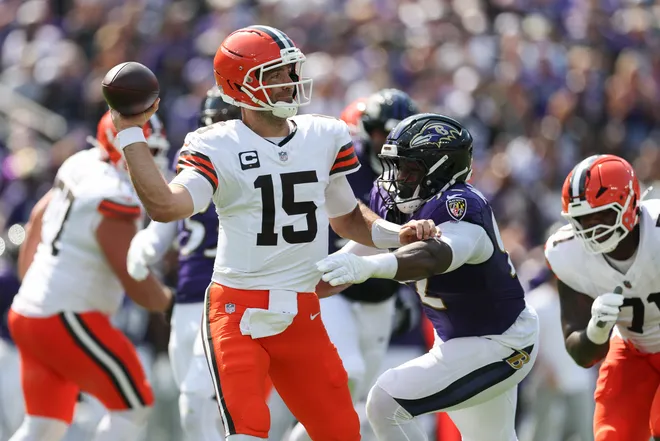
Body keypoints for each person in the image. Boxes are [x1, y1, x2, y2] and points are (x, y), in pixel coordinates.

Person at [109, 25, 436, 441]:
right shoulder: (215, 144)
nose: (289, 83)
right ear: (241, 85)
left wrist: (398, 233)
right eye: (275, 74)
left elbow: (348, 218)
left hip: (302, 308)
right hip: (237, 310)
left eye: (289, 71)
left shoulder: (323, 135)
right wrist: (130, 132)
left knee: (341, 433)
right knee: (247, 432)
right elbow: (166, 205)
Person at [317, 113, 539, 441]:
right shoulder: (399, 207)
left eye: (409, 169)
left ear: (442, 170)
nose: (396, 178)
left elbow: (433, 257)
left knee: (385, 401)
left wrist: (370, 268)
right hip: (460, 341)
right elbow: (346, 262)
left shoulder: (461, 206)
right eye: (394, 167)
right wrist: (287, 290)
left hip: (499, 343)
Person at [6, 110, 173, 441]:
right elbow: (134, 279)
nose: (151, 160)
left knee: (44, 427)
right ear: (119, 150)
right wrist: (172, 301)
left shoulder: (81, 163)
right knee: (134, 403)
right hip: (66, 315)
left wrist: (33, 289)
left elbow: (36, 222)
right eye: (144, 151)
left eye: (154, 151)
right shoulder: (114, 195)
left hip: (30, 310)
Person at [283, 88, 420, 441]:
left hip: (380, 296)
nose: (386, 143)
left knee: (357, 399)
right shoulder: (345, 165)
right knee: (348, 375)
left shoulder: (418, 173)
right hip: (337, 289)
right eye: (381, 133)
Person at [126, 87, 241, 441]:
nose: (219, 132)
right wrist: (151, 239)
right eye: (213, 124)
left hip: (231, 297)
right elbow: (171, 214)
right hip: (189, 296)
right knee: (191, 405)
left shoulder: (257, 159)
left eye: (225, 123)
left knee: (204, 401)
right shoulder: (193, 154)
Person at [544, 154, 660, 441]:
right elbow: (581, 354)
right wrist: (596, 330)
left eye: (603, 215)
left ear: (631, 203)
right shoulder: (566, 252)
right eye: (583, 219)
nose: (593, 228)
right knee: (613, 435)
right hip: (632, 349)